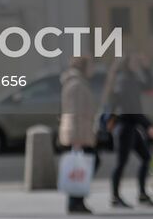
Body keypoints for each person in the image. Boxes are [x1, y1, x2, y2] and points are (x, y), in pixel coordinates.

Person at [107, 55, 153, 208]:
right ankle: (115, 197)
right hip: (124, 127)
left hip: (132, 127)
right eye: (135, 61)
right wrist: (147, 125)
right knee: (121, 163)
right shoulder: (124, 81)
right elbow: (131, 107)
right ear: (127, 65)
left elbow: (149, 86)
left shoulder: (132, 78)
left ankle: (142, 194)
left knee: (146, 157)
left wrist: (146, 68)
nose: (137, 64)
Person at [60, 56, 100, 214]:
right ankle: (75, 201)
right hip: (78, 131)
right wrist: (77, 140)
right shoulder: (77, 84)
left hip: (79, 129)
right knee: (85, 164)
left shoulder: (77, 82)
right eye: (91, 66)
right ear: (83, 67)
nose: (93, 70)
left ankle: (76, 201)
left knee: (83, 165)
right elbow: (75, 112)